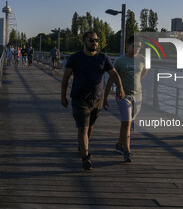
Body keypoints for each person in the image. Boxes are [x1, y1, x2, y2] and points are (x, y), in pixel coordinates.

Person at [61, 31, 125, 170]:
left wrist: (120, 88)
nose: (94, 43)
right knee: (83, 127)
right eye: (91, 40)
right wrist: (63, 96)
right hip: (80, 98)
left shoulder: (103, 58)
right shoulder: (75, 58)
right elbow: (65, 78)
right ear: (84, 41)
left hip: (97, 99)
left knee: (90, 127)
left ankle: (82, 145)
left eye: (96, 40)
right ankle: (85, 157)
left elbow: (114, 73)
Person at [103, 36, 148, 162]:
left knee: (126, 123)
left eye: (139, 46)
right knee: (127, 123)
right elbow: (111, 79)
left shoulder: (142, 59)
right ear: (128, 46)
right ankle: (127, 151)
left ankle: (119, 144)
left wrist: (139, 80)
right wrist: (105, 97)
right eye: (134, 46)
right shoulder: (119, 61)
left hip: (138, 95)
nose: (136, 49)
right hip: (123, 96)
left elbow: (146, 69)